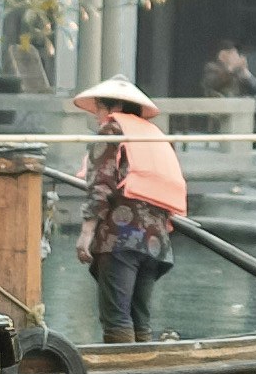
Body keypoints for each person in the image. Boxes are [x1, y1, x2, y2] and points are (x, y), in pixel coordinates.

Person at [74, 73, 188, 341]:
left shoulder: (112, 130)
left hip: (120, 236)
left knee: (116, 318)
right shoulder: (155, 134)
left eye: (100, 109)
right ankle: (144, 371)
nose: (97, 116)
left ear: (113, 108)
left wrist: (87, 232)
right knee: (139, 319)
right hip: (155, 240)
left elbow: (101, 185)